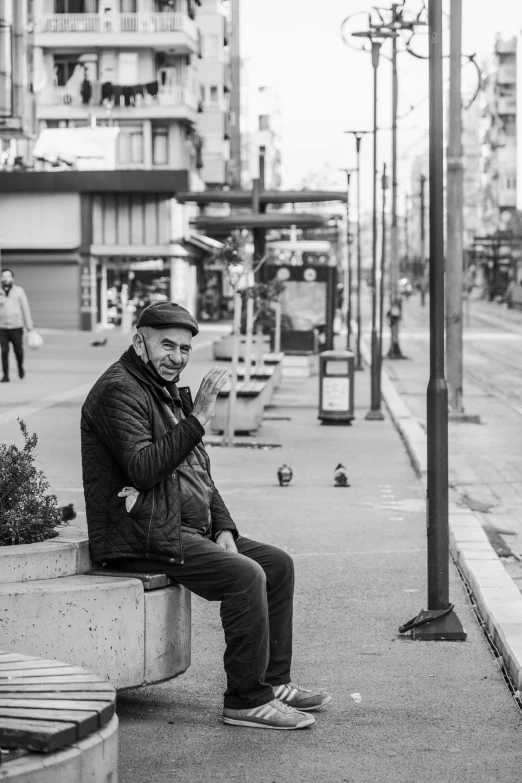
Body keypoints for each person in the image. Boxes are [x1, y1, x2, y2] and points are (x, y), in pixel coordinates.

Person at [81, 301, 331, 730]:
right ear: (139, 342)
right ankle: (246, 701)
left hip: (179, 523)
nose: (176, 357)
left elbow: (198, 470)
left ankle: (274, 682)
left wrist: (224, 526)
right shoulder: (118, 390)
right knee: (246, 576)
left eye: (184, 349)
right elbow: (144, 467)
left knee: (277, 565)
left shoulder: (162, 390)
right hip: (140, 535)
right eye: (166, 346)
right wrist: (197, 418)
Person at [0, 268, 34, 383]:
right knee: (4, 351)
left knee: (18, 350)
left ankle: (20, 366)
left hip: (16, 327)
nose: (5, 278)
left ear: (12, 278)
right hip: (2, 327)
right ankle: (5, 375)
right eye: (3, 276)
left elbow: (25, 308)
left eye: (8, 276)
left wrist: (29, 325)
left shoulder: (19, 291)